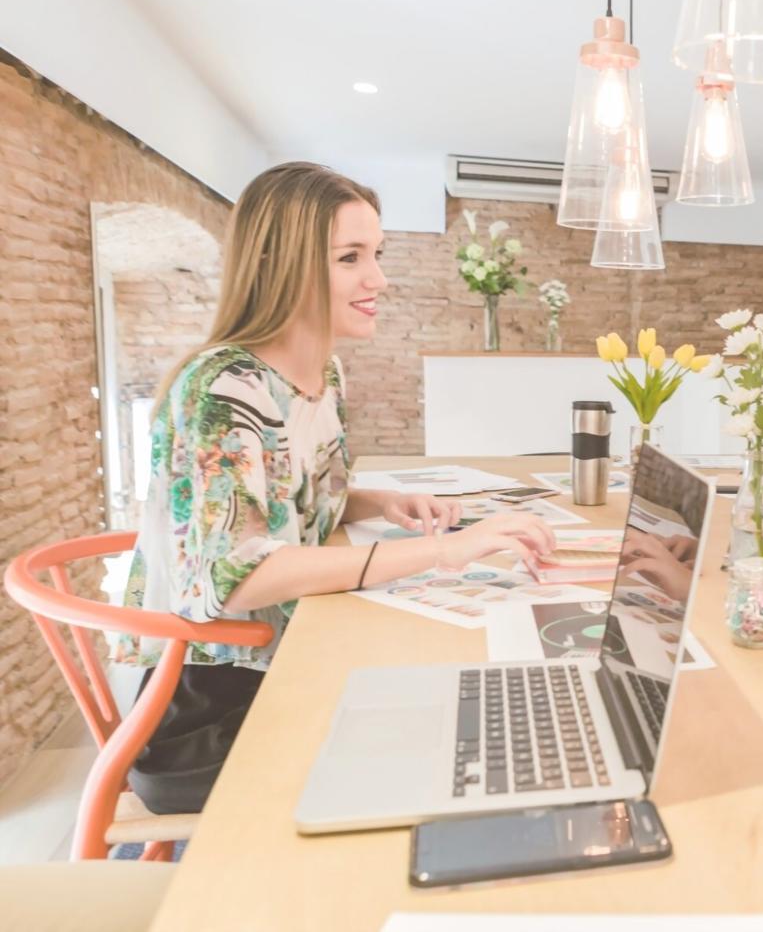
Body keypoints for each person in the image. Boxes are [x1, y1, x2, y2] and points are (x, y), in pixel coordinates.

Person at [118, 162, 557, 813]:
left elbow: (287, 502)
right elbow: (230, 577)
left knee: (483, 706)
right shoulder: (224, 389)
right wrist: (446, 551)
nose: (377, 278)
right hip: (206, 707)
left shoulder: (324, 375)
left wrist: (380, 503)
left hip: (287, 655)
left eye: (375, 255)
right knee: (458, 743)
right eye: (350, 258)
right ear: (280, 263)